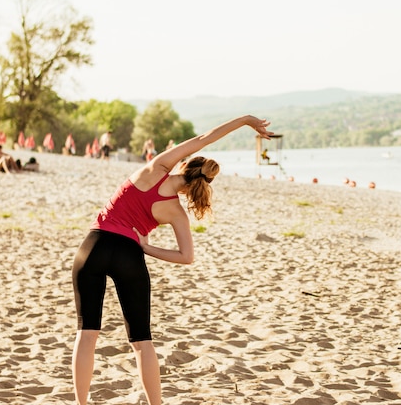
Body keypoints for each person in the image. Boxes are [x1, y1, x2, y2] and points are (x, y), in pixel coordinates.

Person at [71, 115, 272, 405]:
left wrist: (245, 121)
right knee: (141, 341)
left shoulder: (157, 167)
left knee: (87, 333)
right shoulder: (177, 213)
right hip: (129, 254)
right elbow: (186, 257)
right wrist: (146, 248)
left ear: (184, 165)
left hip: (93, 246)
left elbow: (205, 138)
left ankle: (81, 403)